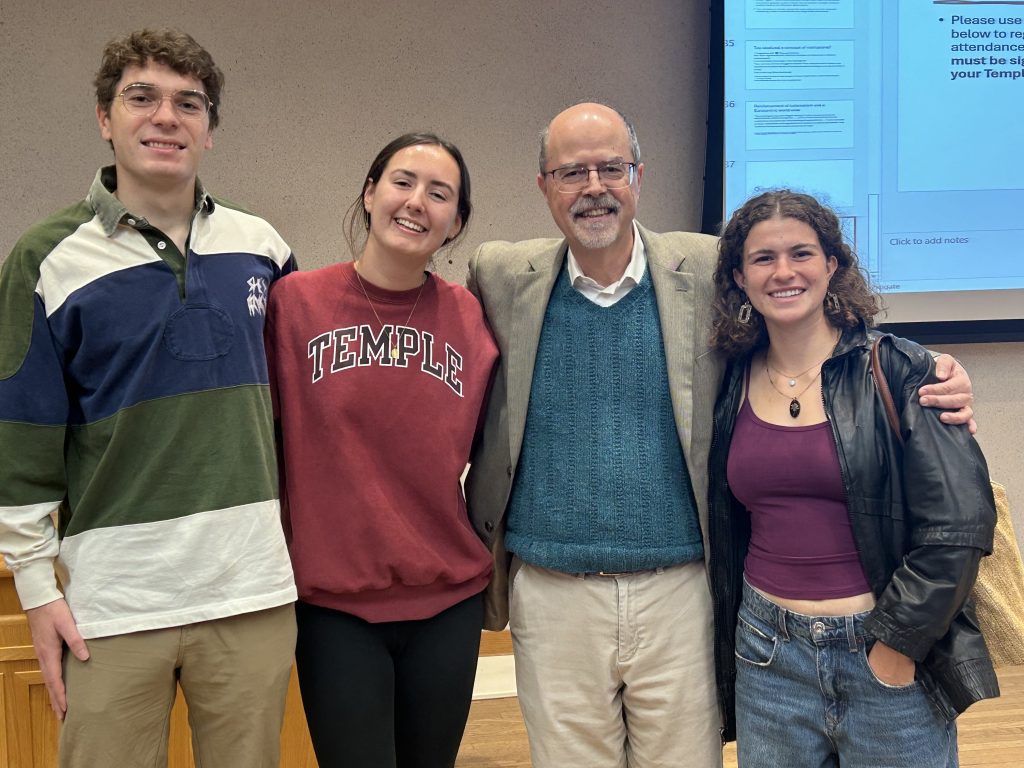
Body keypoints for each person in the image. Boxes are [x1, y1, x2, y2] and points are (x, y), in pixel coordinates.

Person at [464, 102, 979, 768]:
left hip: (683, 587)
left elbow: (809, 312)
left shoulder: (705, 268)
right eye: (572, 172)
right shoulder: (501, 274)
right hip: (557, 589)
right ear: (544, 186)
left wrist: (930, 369)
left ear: (638, 176)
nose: (594, 187)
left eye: (611, 168)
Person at [0, 29, 298, 768]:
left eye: (188, 103)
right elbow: (20, 443)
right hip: (112, 605)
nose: (166, 117)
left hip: (251, 593)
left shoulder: (263, 246)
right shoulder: (45, 260)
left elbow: (304, 418)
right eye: (142, 97)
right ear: (106, 117)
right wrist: (37, 592)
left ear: (209, 129)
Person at [707, 189, 998, 767]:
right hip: (767, 656)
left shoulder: (902, 368)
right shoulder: (728, 379)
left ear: (832, 265)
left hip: (884, 648)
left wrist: (896, 645)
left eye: (802, 253)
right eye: (763, 258)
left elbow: (960, 525)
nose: (784, 271)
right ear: (740, 277)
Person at [264, 132, 498, 768]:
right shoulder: (295, 305)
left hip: (446, 598)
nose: (417, 201)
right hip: (334, 604)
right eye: (402, 182)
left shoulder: (472, 319)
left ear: (455, 225)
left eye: (439, 193)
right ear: (370, 195)